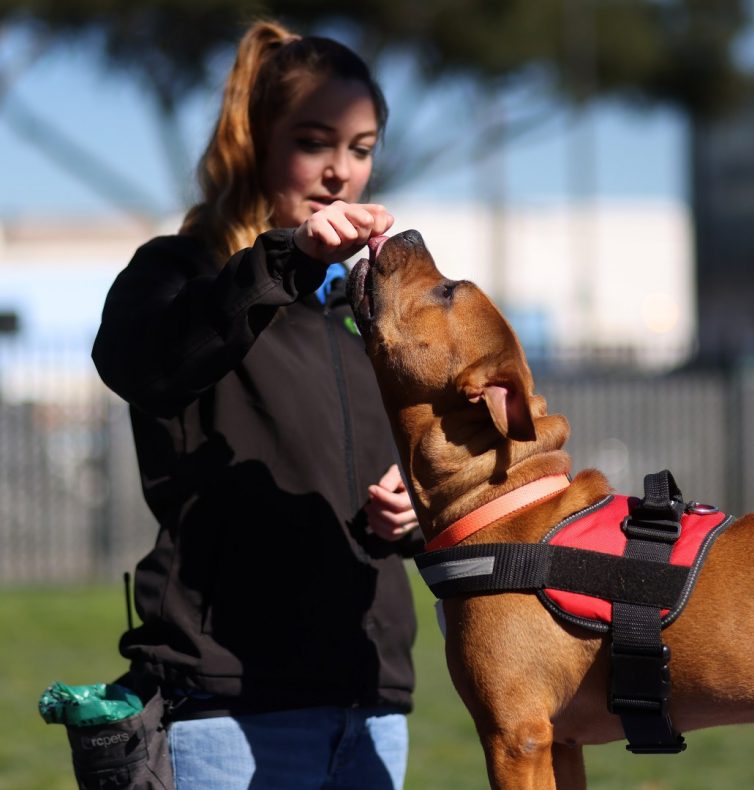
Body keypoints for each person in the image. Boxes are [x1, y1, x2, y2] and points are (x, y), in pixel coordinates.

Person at [92, 19, 422, 789]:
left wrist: (416, 507)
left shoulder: (365, 316)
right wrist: (286, 259)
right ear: (253, 143)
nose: (342, 171)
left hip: (372, 708)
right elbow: (141, 362)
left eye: (363, 148)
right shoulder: (179, 273)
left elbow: (408, 468)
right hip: (229, 709)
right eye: (315, 141)